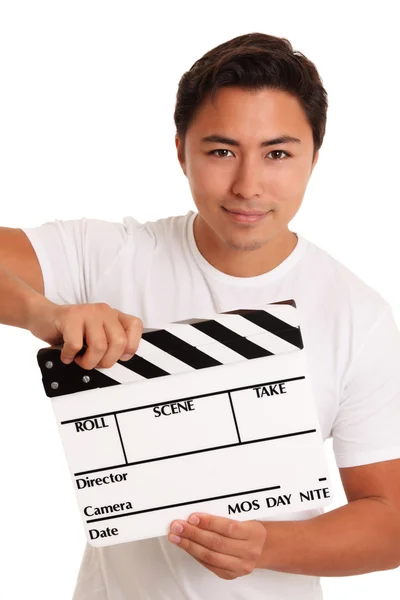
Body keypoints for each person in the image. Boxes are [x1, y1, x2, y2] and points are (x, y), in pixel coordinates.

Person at [1, 31, 399, 600]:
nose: (248, 185)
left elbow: (390, 521)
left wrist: (268, 547)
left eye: (278, 153)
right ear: (180, 149)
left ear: (315, 156)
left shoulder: (357, 316)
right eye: (221, 151)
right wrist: (43, 312)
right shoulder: (109, 255)